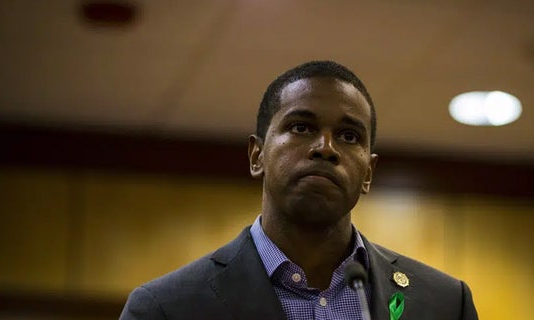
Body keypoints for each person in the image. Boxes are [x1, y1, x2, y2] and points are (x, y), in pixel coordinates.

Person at [119, 60, 478, 320]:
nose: (326, 147)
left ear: (368, 172)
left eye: (348, 136)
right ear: (257, 155)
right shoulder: (165, 308)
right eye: (301, 127)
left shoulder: (445, 304)